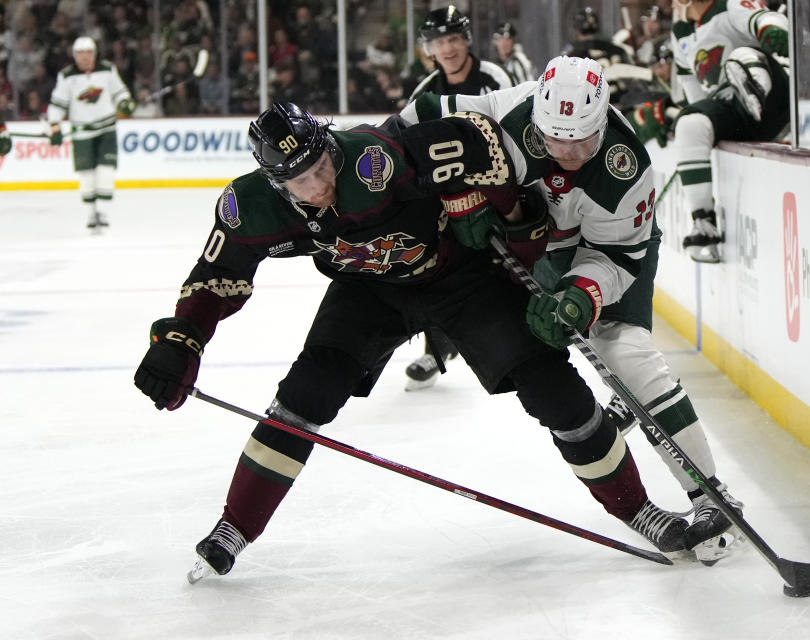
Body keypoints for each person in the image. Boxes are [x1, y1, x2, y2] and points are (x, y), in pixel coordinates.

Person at [133, 101, 692, 582]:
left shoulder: (375, 159)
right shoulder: (248, 206)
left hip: (461, 280)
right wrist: (180, 342)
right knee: (306, 393)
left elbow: (477, 136)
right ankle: (236, 525)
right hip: (368, 289)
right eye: (303, 180)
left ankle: (639, 509)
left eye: (323, 163)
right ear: (277, 183)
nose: (322, 182)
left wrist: (494, 208)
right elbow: (212, 280)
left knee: (555, 392)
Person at [400, 56, 744, 564]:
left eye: (580, 141)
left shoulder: (625, 167)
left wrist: (583, 295)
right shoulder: (507, 110)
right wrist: (456, 193)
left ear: (603, 119)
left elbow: (617, 256)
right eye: (554, 139)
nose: (565, 153)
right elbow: (418, 117)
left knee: (628, 353)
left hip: (604, 249)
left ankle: (712, 494)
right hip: (533, 242)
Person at [404, 5, 514, 390]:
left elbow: (518, 126)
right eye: (438, 42)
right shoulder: (425, 91)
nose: (447, 48)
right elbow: (402, 140)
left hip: (499, 186)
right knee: (439, 264)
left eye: (452, 39)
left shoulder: (495, 77)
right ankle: (437, 348)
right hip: (449, 198)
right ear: (429, 48)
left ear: (465, 40)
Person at [641, 0, 790, 263]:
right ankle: (703, 223)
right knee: (690, 123)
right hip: (735, 112)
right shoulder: (681, 33)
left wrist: (772, 31)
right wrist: (694, 116)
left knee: (742, 58)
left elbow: (768, 20)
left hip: (778, 98)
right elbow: (695, 94)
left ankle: (755, 98)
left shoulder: (730, 4)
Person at [46, 36, 135, 230]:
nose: (85, 57)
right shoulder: (67, 76)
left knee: (106, 170)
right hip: (82, 132)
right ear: (75, 55)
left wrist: (125, 102)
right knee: (86, 175)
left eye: (88, 53)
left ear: (94, 54)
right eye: (80, 54)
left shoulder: (107, 70)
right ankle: (90, 213)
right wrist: (54, 126)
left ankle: (102, 212)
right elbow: (58, 103)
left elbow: (120, 92)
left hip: (106, 129)